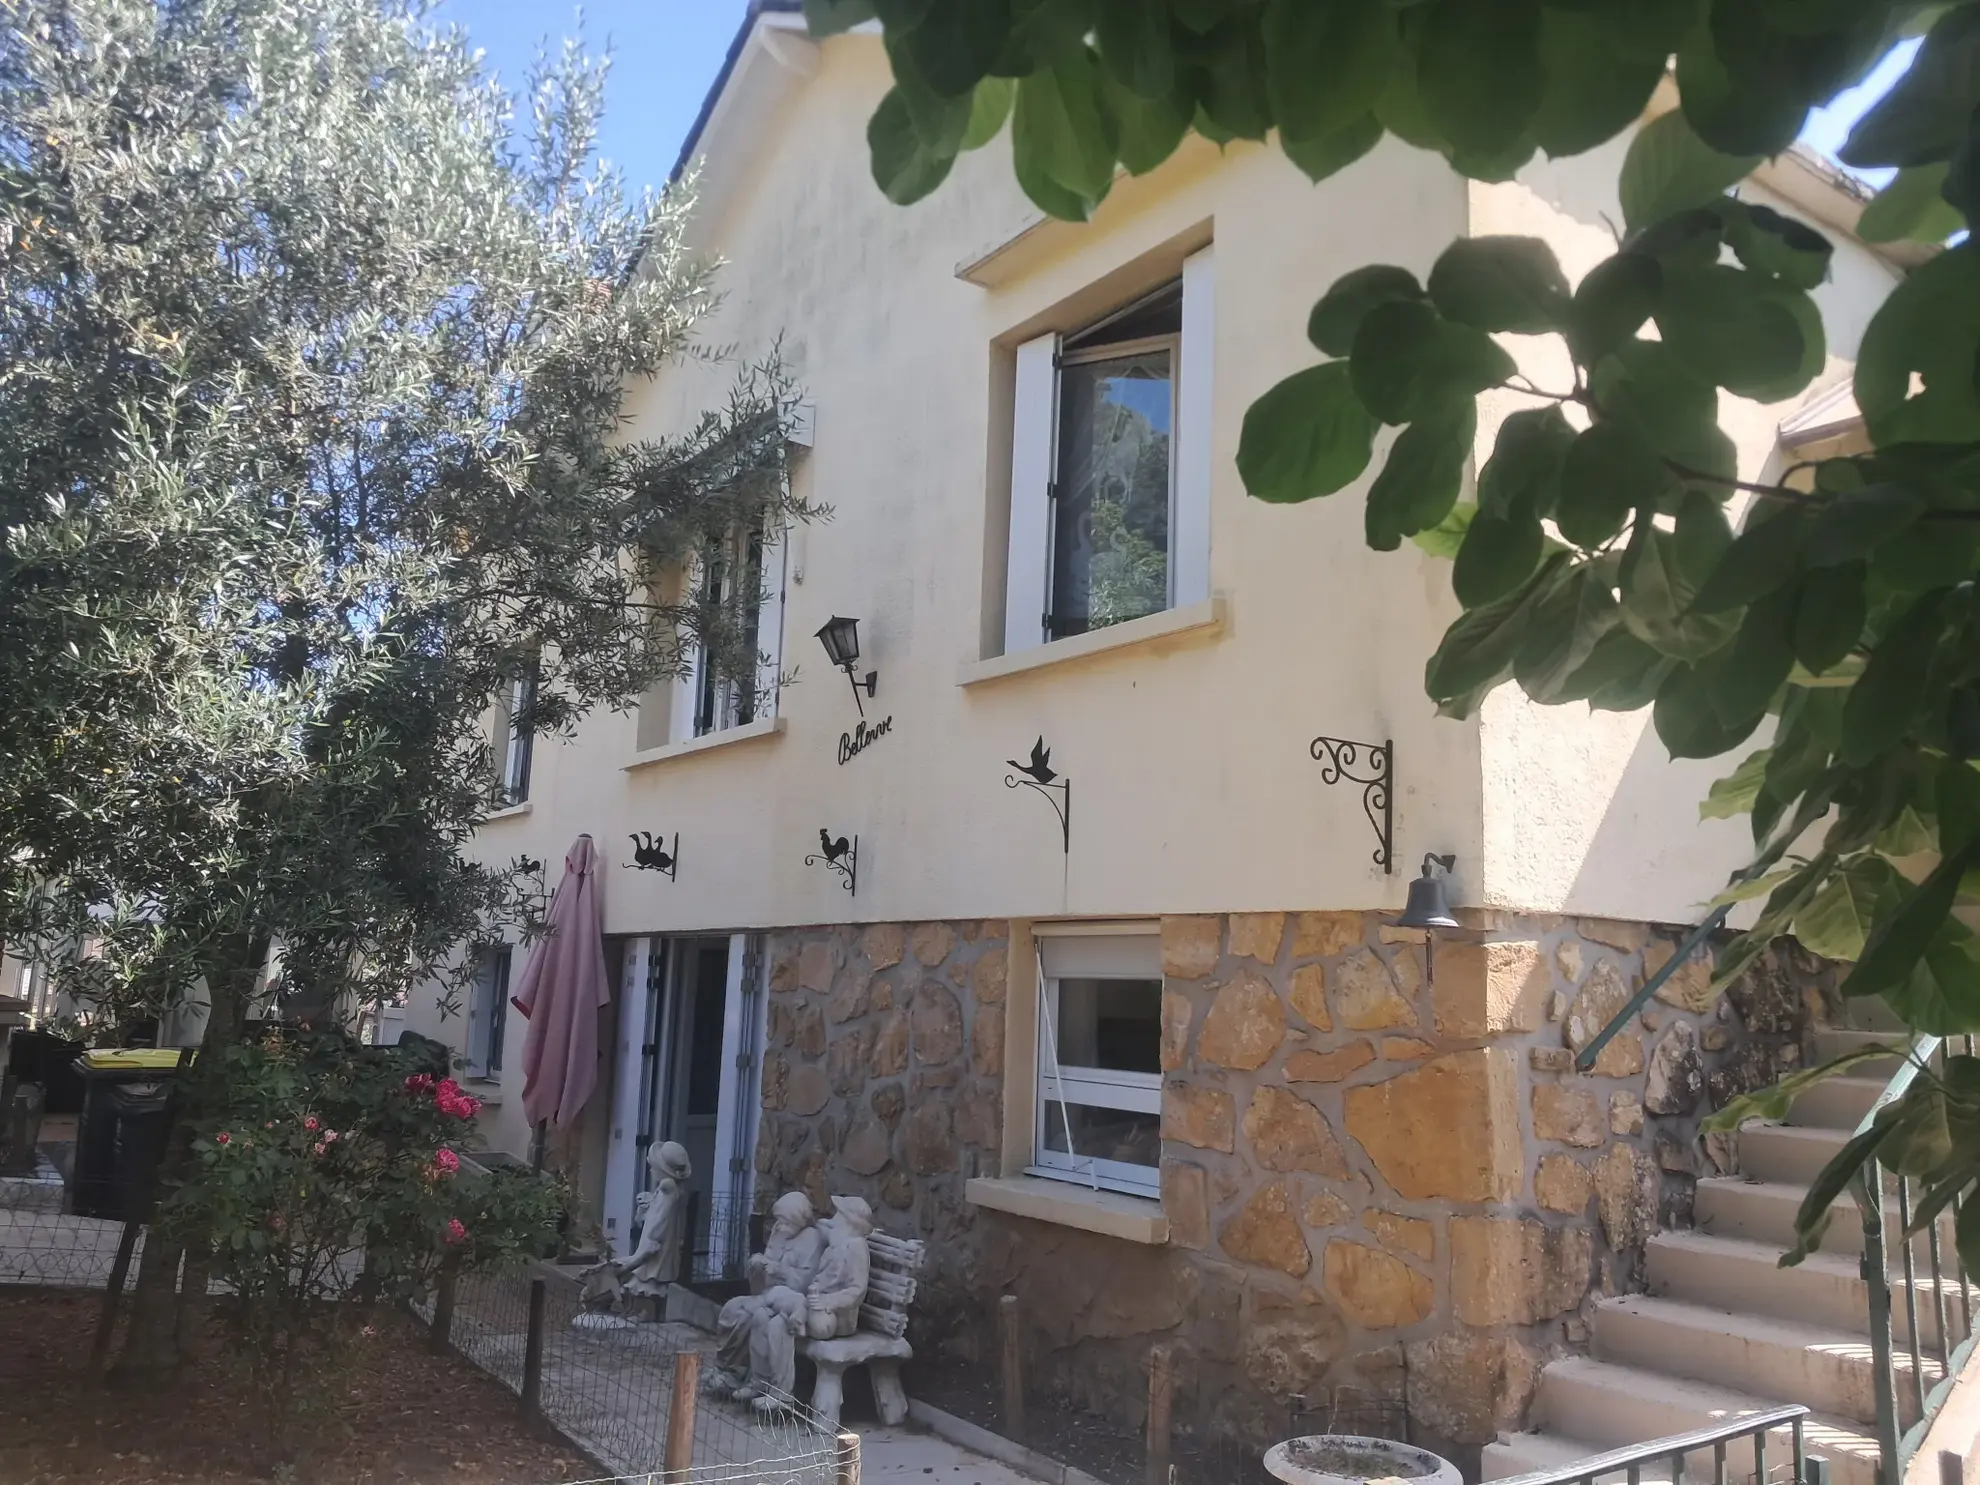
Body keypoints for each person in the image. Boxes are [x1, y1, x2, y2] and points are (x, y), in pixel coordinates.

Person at [619, 1141, 692, 1294]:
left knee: (649, 1281)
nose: (651, 1170)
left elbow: (658, 1222)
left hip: (657, 1247)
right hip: (661, 1247)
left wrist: (650, 1241)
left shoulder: (668, 1190)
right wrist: (649, 1202)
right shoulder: (669, 1191)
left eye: (653, 1166)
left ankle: (646, 1308)